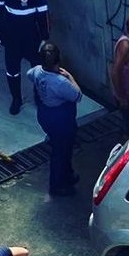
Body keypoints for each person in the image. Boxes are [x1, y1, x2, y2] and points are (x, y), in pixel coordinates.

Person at [0, 0, 50, 115]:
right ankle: (16, 98)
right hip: (11, 35)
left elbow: (43, 13)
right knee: (12, 69)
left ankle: (39, 97)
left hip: (31, 35)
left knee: (37, 68)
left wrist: (44, 37)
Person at [27, 43, 82, 197]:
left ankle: (67, 174)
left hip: (45, 114)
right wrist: (70, 77)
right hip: (61, 118)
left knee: (63, 147)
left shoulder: (37, 71)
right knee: (61, 151)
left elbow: (28, 74)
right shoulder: (60, 82)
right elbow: (78, 95)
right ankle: (57, 185)